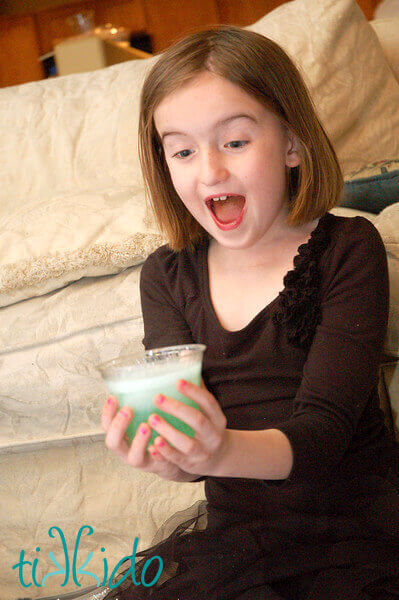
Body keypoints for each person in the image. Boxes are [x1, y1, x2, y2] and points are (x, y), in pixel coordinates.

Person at [100, 24, 399, 600]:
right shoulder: (166, 277)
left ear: (292, 143)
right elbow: (191, 442)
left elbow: (322, 434)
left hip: (356, 532)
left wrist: (219, 450)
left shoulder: (347, 249)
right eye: (182, 150)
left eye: (234, 142)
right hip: (238, 543)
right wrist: (174, 459)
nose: (208, 170)